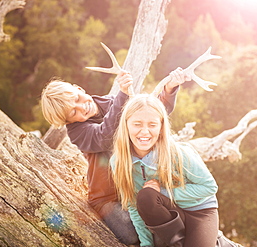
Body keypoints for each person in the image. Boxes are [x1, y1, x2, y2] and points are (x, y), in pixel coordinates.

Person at [41, 69, 188, 246]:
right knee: (131, 233)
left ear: (79, 88)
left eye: (77, 99)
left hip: (135, 184)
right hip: (109, 197)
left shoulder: (113, 102)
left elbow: (153, 115)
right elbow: (105, 136)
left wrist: (169, 90)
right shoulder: (78, 132)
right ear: (68, 121)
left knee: (176, 209)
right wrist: (123, 96)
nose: (82, 106)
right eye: (73, 112)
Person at [110, 94, 234, 247]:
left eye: (152, 125)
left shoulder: (179, 153)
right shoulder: (118, 162)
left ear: (161, 127)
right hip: (169, 214)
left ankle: (219, 241)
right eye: (137, 124)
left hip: (200, 211)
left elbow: (209, 187)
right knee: (145, 196)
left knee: (152, 194)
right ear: (126, 125)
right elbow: (134, 206)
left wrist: (162, 192)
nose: (144, 131)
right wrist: (146, 244)